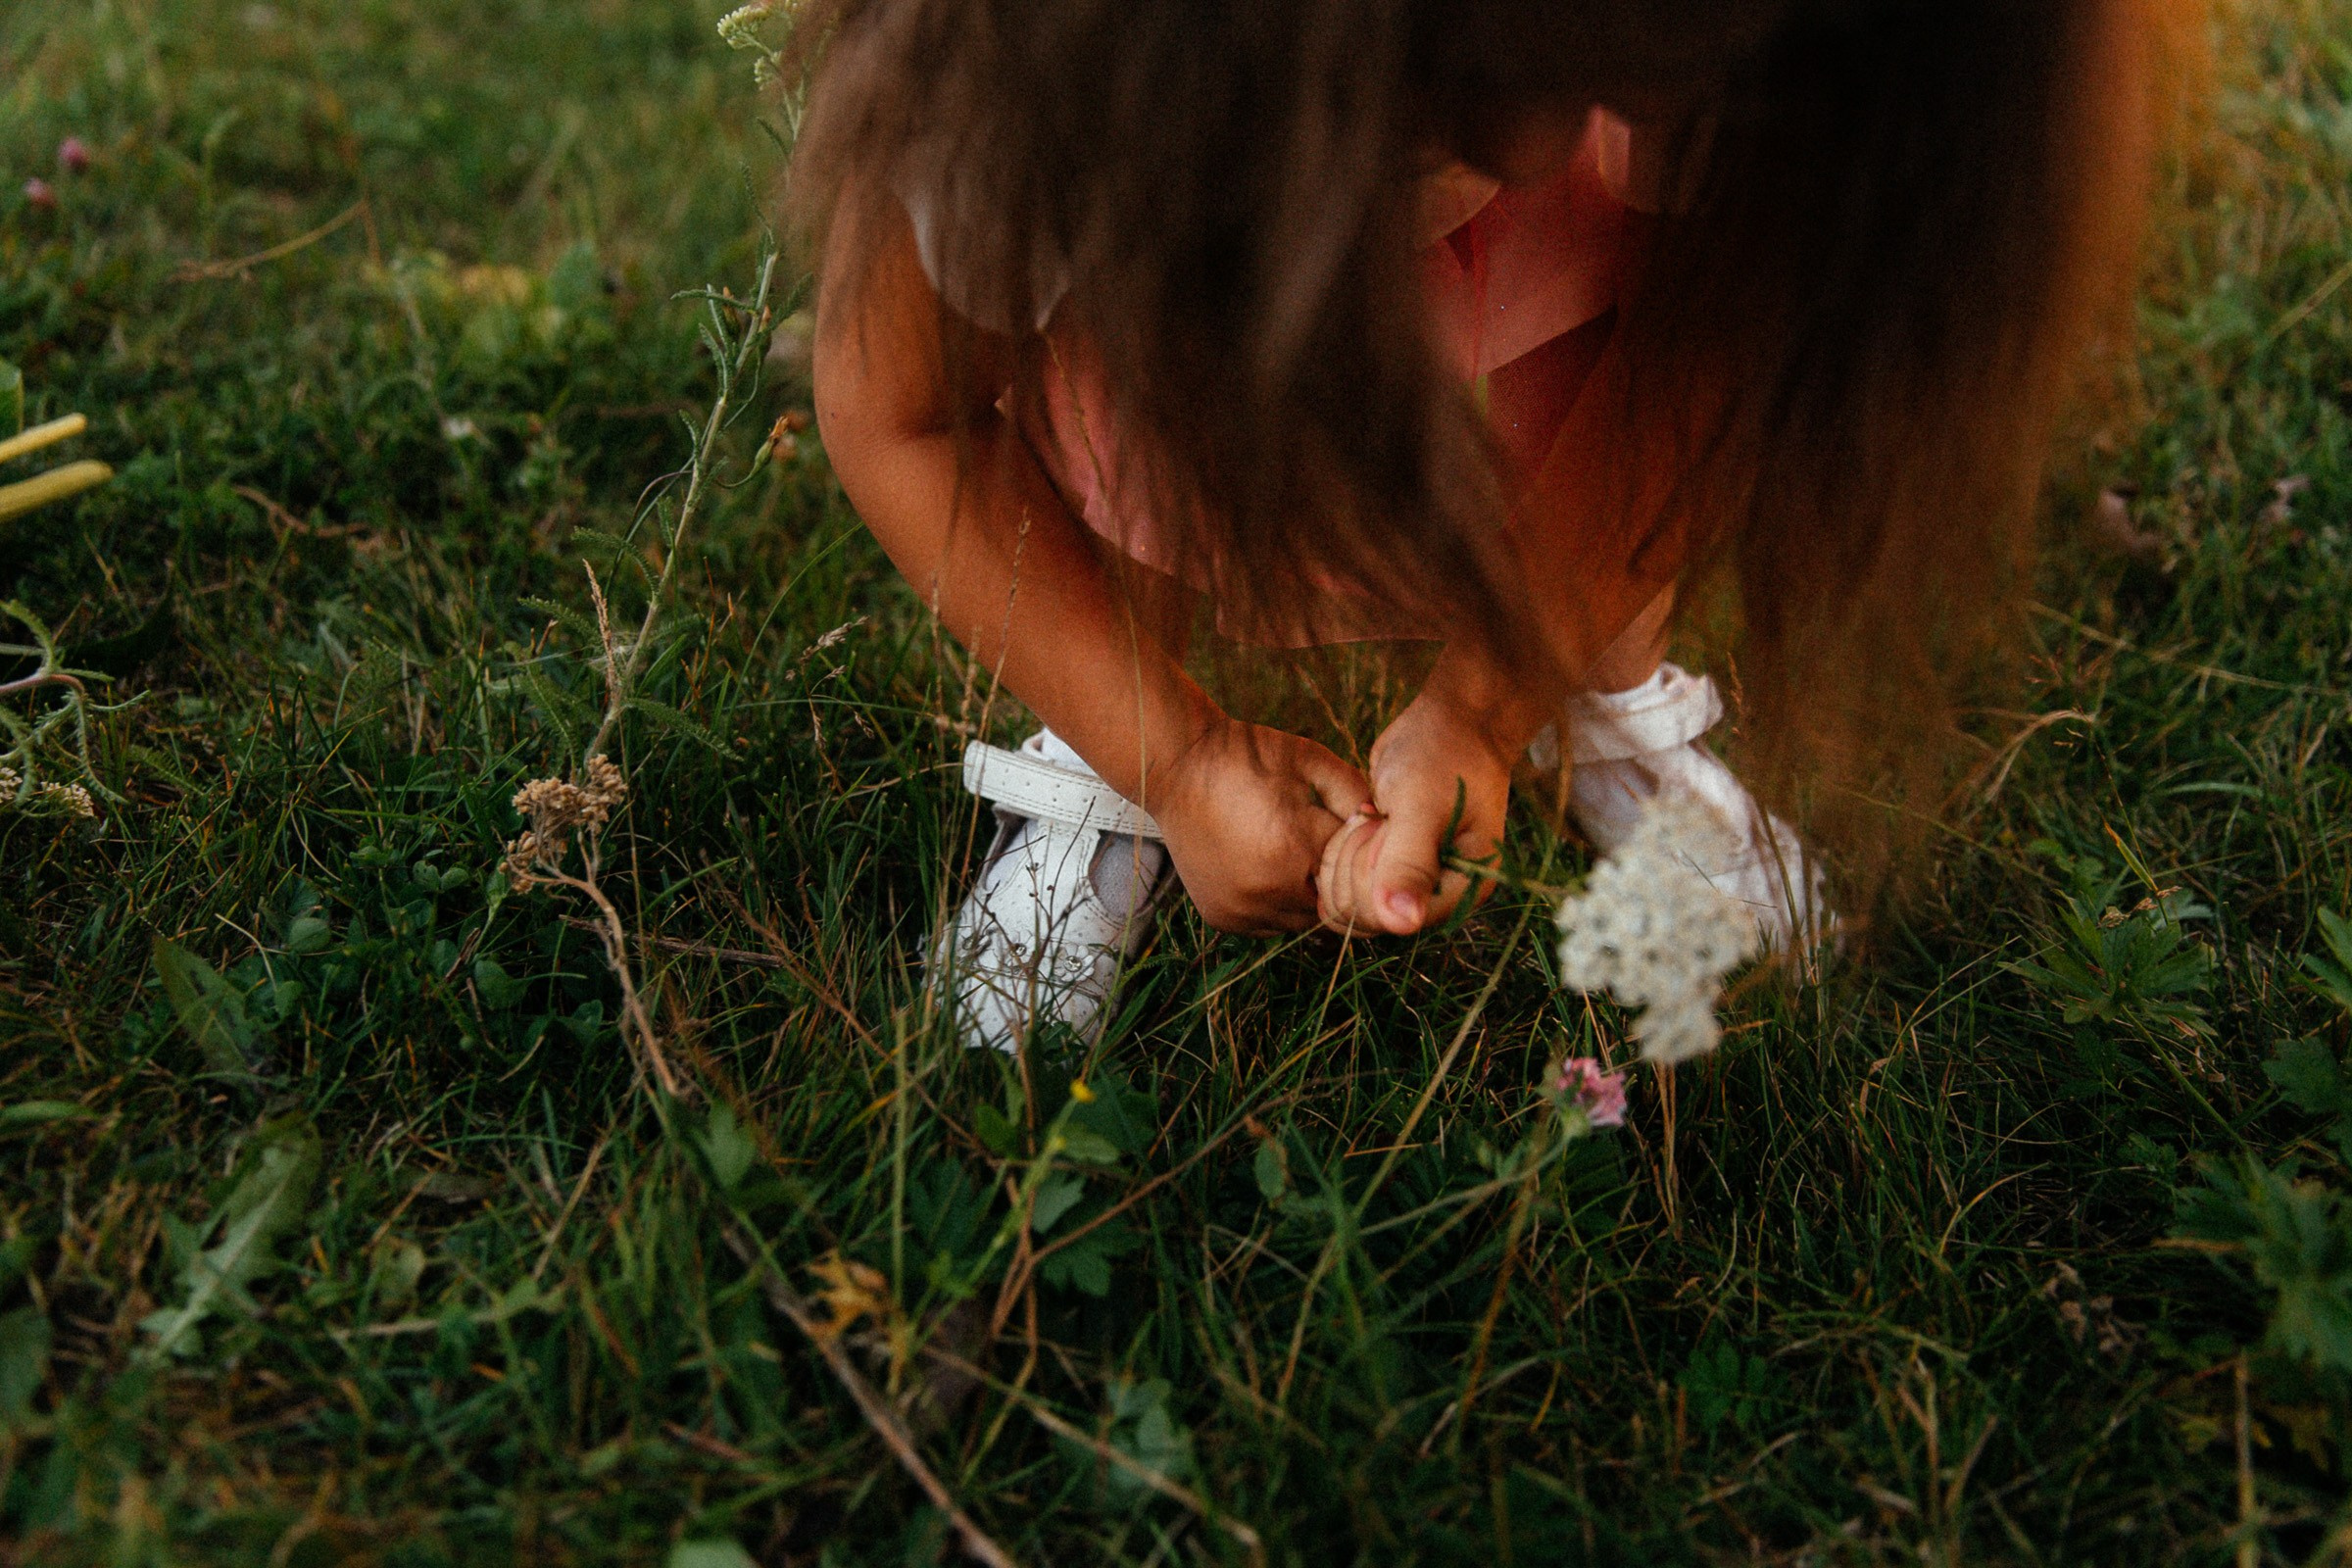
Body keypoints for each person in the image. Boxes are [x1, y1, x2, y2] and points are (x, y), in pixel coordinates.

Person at [795, 0, 2180, 1051]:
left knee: (1640, 268)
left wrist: (1482, 707)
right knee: (1137, 395)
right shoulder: (1022, 81)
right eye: (1459, 83)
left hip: (1558, 362)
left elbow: (1708, 351)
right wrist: (1180, 755)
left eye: (1597, 86)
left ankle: (1592, 686)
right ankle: (1101, 737)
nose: (1525, 150)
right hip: (1159, 392)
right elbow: (912, 416)